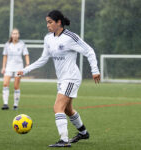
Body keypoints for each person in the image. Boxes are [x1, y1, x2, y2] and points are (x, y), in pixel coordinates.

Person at [18, 10, 100, 147]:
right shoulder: (48, 38)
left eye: (50, 22)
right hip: (62, 79)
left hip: (71, 77)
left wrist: (95, 70)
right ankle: (83, 133)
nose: (47, 25)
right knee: (67, 110)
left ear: (59, 22)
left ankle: (64, 140)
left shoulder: (70, 37)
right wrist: (26, 70)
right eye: (47, 22)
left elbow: (89, 51)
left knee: (57, 107)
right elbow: (43, 59)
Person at [1, 28, 30, 110]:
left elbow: (26, 54)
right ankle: (5, 104)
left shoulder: (22, 44)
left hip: (18, 67)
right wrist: (3, 67)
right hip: (9, 67)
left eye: (16, 33)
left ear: (19, 35)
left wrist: (27, 65)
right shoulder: (7, 44)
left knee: (16, 85)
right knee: (5, 84)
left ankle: (15, 105)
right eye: (13, 33)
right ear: (11, 35)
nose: (15, 35)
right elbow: (5, 56)